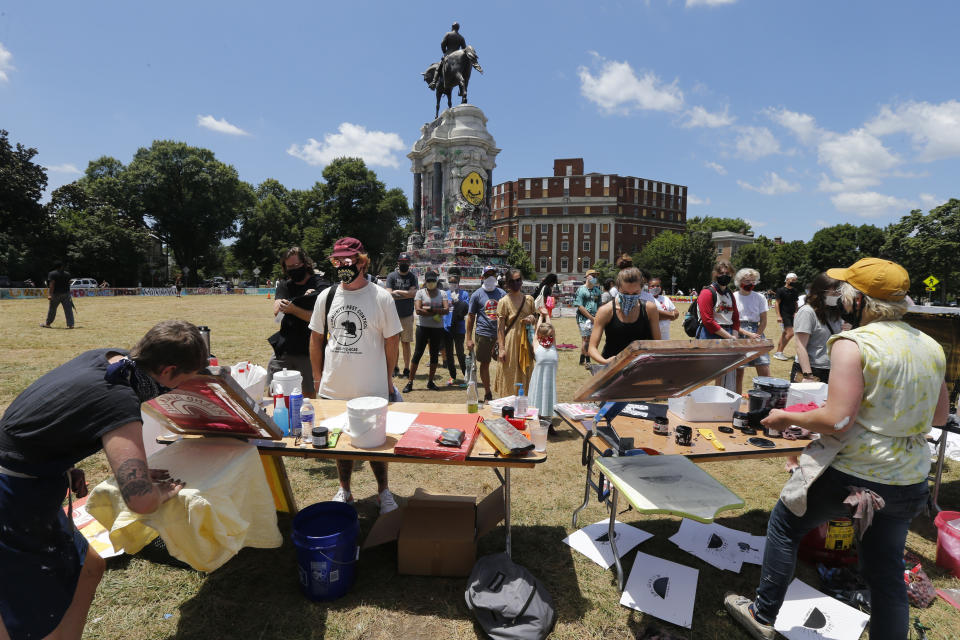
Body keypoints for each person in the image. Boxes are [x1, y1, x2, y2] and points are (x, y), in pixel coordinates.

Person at [725, 257, 949, 640]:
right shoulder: (930, 345)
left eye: (844, 294)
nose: (840, 301)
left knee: (783, 527)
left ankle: (763, 615)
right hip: (909, 478)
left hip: (855, 474)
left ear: (858, 300)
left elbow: (836, 419)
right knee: (885, 573)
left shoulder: (853, 343)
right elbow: (941, 416)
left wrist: (785, 418)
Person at [0, 320, 207, 640]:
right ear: (167, 371)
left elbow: (50, 416)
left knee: (89, 564)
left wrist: (63, 464)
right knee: (34, 609)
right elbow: (141, 500)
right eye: (184, 381)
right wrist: (161, 491)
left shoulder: (108, 359)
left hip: (27, 479)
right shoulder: (120, 399)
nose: (178, 390)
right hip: (12, 498)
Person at [308, 238, 401, 513]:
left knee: (377, 443)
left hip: (371, 387)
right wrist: (316, 378)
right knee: (339, 444)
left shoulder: (381, 296)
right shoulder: (326, 296)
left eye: (346, 261)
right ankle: (344, 489)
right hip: (334, 386)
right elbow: (316, 338)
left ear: (361, 262)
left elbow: (392, 342)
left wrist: (386, 380)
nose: (340, 266)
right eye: (336, 261)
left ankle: (383, 491)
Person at [267, 247, 327, 399]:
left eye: (296, 265)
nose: (293, 270)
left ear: (305, 264)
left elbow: (319, 320)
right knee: (274, 392)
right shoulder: (284, 285)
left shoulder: (320, 285)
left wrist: (293, 309)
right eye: (289, 267)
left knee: (308, 395)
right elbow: (277, 310)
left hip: (309, 350)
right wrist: (303, 301)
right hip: (284, 347)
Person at [588, 267, 660, 364]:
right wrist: (605, 361)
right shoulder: (605, 311)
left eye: (635, 293)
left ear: (641, 289)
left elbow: (658, 343)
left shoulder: (649, 309)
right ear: (618, 288)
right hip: (613, 367)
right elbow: (592, 348)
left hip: (642, 366)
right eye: (625, 293)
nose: (630, 296)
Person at [791, 272, 843, 384]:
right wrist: (808, 375)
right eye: (834, 292)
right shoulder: (807, 311)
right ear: (820, 291)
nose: (837, 295)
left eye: (839, 292)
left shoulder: (836, 312)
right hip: (812, 370)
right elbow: (800, 345)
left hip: (832, 369)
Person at [696, 260, 740, 390]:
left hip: (727, 334)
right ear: (715, 274)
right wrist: (729, 337)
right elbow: (708, 321)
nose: (724, 276)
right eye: (721, 273)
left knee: (722, 371)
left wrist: (735, 336)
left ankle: (717, 396)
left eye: (728, 273)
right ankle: (698, 399)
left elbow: (736, 317)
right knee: (704, 372)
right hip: (709, 334)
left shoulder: (730, 294)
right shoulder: (707, 292)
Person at [403, 270, 449, 393]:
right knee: (418, 353)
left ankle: (430, 381)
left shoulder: (442, 293)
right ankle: (410, 382)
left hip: (437, 329)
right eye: (429, 280)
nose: (431, 283)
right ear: (425, 281)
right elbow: (418, 310)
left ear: (437, 281)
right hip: (422, 327)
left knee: (434, 355)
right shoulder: (420, 293)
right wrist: (436, 310)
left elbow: (446, 310)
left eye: (433, 280)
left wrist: (429, 308)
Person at [495, 269, 538, 398]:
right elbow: (500, 328)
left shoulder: (529, 299)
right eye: (512, 281)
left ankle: (525, 400)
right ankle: (508, 402)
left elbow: (535, 317)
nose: (516, 283)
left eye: (518, 280)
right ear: (507, 283)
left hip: (527, 340)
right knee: (510, 371)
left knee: (526, 371)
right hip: (511, 341)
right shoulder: (503, 301)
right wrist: (501, 349)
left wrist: (531, 318)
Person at [466, 265, 505, 403]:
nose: (490, 278)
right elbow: (471, 317)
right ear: (482, 277)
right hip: (483, 334)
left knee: (504, 362)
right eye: (487, 275)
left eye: (492, 275)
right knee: (484, 363)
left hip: (500, 335)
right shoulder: (476, 295)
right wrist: (468, 338)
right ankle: (488, 392)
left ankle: (503, 392)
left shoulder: (502, 294)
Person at [733, 268, 771, 394]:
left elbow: (764, 321)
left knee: (764, 369)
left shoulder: (760, 297)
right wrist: (747, 334)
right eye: (747, 281)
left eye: (753, 281)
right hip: (738, 333)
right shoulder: (733, 297)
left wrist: (757, 335)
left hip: (756, 333)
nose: (750, 284)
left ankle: (766, 401)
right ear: (739, 281)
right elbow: (732, 322)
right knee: (738, 372)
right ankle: (736, 401)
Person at [385, 252, 418, 380]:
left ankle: (406, 368)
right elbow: (388, 294)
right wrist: (406, 293)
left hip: (407, 315)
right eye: (401, 262)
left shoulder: (412, 277)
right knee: (394, 343)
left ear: (409, 264)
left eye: (406, 262)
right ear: (398, 263)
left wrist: (397, 291)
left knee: (406, 343)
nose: (403, 264)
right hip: (393, 315)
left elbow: (414, 293)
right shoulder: (392, 276)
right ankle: (394, 367)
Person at [527, 319, 558, 420]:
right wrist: (540, 317)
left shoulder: (553, 345)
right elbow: (536, 334)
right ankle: (538, 419)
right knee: (538, 400)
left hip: (550, 381)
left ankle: (548, 422)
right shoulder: (537, 345)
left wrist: (547, 315)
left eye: (551, 335)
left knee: (549, 400)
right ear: (542, 335)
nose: (550, 337)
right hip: (538, 380)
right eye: (548, 335)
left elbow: (552, 330)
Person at [443, 272, 470, 386]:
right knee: (449, 354)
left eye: (454, 282)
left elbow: (466, 308)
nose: (452, 284)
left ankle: (466, 377)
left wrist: (458, 301)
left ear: (458, 283)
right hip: (447, 327)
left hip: (459, 328)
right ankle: (452, 376)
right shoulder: (445, 294)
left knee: (460, 353)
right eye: (450, 282)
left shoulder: (464, 294)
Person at [575, 269, 602, 365]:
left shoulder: (597, 291)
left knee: (588, 339)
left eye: (596, 276)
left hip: (594, 319)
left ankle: (581, 359)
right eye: (592, 275)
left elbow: (599, 305)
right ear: (587, 277)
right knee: (586, 338)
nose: (595, 278)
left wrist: (597, 318)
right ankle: (587, 360)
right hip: (583, 318)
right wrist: (591, 318)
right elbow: (580, 306)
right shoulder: (581, 290)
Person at [773, 272, 800, 360]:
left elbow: (796, 303)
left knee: (785, 333)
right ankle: (779, 352)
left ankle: (777, 352)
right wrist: (778, 316)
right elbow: (777, 303)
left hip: (792, 315)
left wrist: (796, 312)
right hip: (784, 314)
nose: (794, 282)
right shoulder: (780, 290)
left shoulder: (795, 291)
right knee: (790, 333)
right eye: (793, 280)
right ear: (787, 279)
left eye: (795, 280)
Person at [41, 261, 73, 329]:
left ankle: (48, 324)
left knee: (52, 309)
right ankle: (71, 325)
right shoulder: (67, 274)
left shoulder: (52, 274)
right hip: (66, 294)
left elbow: (52, 284)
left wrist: (50, 294)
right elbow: (70, 282)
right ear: (61, 266)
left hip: (56, 294)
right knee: (68, 310)